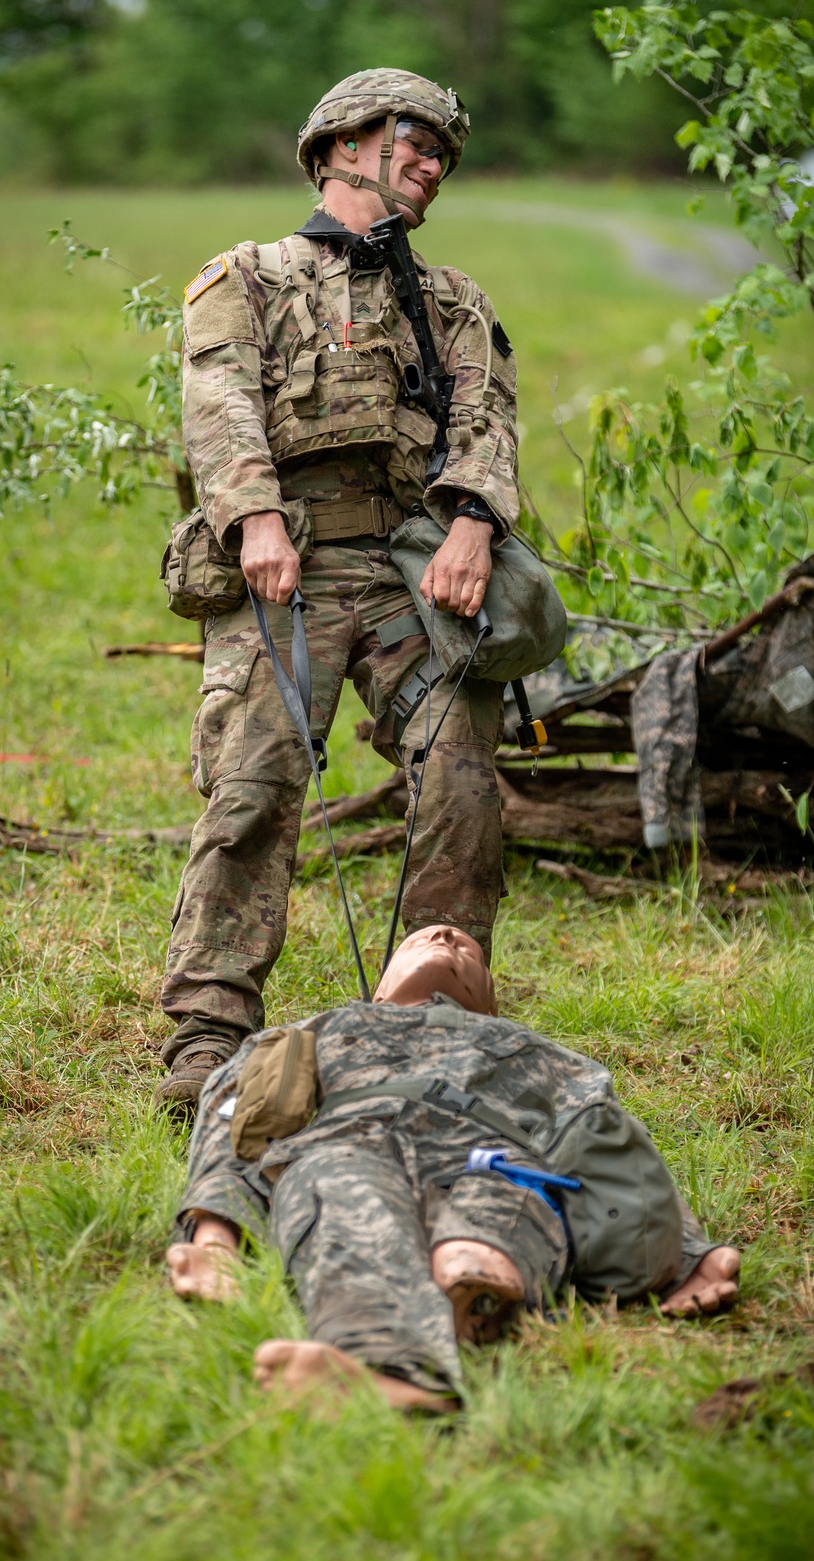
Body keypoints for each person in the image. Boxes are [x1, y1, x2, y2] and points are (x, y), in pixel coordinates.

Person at [157, 68, 535, 1109]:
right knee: (255, 780)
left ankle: (433, 1011)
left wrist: (471, 527)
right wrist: (257, 519)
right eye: (415, 141)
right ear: (340, 146)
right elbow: (218, 401)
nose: (431, 165)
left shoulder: (452, 301)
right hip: (284, 562)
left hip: (411, 577)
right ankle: (206, 1028)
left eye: (443, 156)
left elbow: (487, 425)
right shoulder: (247, 276)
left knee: (460, 770)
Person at [167, 925, 741, 1413]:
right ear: (381, 990)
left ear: (489, 1003)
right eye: (421, 938)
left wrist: (686, 1253)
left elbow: (605, 1144)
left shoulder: (524, 1044)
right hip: (346, 1147)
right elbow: (239, 1118)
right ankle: (394, 1365)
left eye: (469, 949)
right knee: (339, 1191)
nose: (445, 936)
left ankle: (468, 1289)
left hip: (491, 1161)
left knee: (490, 1219)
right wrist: (215, 1234)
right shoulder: (320, 1030)